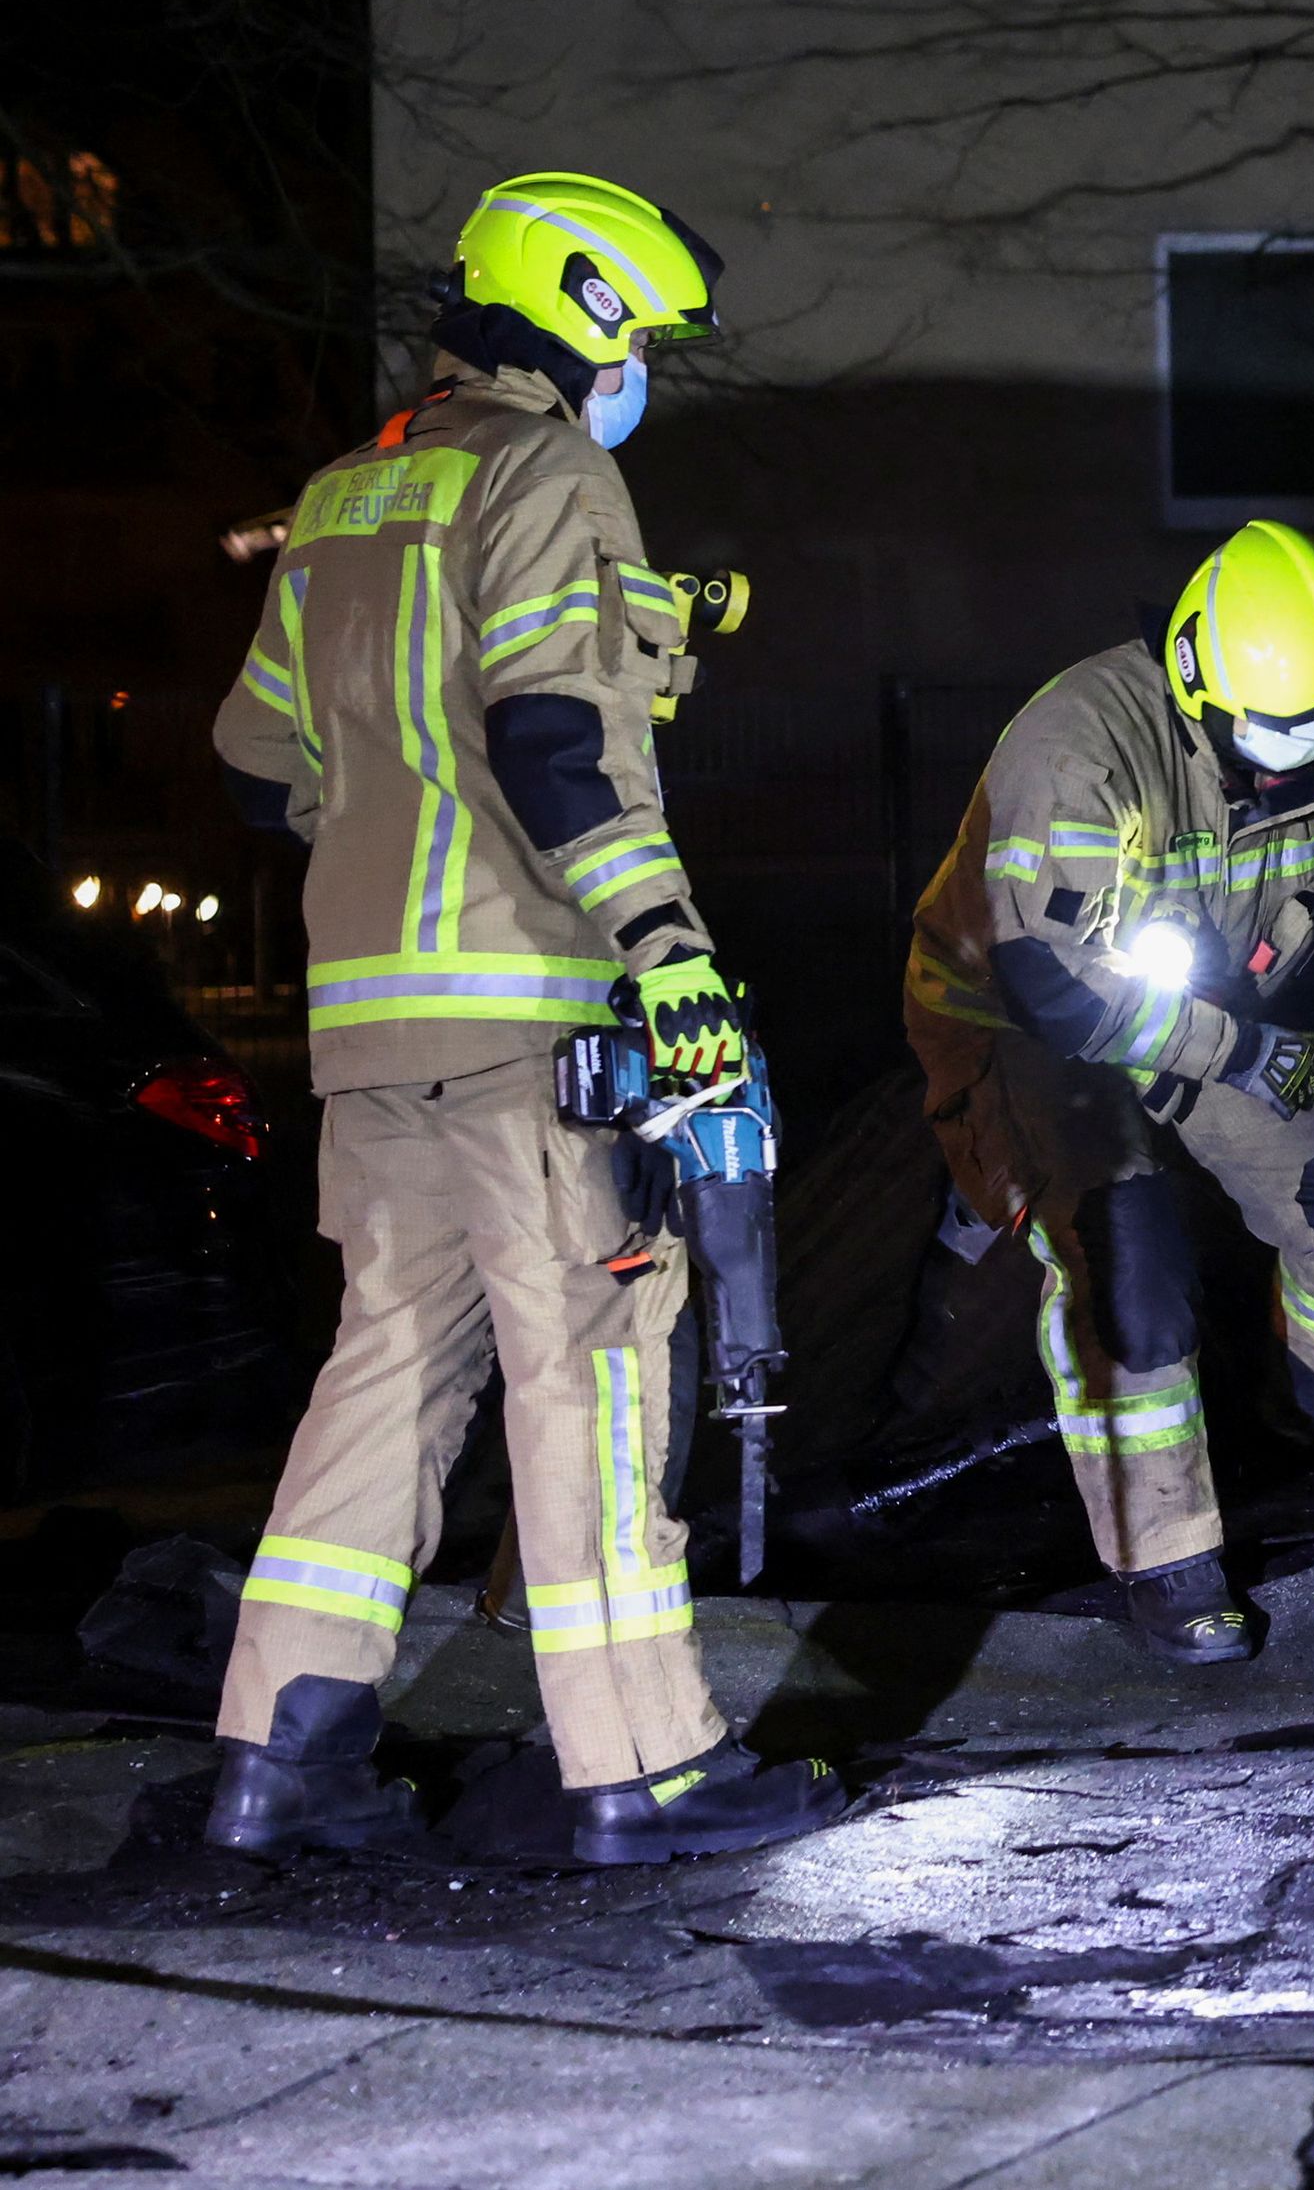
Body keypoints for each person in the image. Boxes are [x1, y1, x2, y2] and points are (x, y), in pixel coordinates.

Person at [203, 170, 842, 1864]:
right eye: (638, 335)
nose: (643, 375)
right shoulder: (550, 469)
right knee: (598, 1370)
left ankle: (280, 1764)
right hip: (536, 1026)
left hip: (369, 1037)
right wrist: (669, 946)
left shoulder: (345, 494)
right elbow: (561, 742)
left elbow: (263, 755)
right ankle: (644, 1770)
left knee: (384, 1376)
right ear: (583, 312)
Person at [904, 521, 1314, 1664]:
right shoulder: (1080, 747)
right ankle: (1165, 1556)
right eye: (1275, 742)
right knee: (1131, 1260)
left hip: (1208, 1022)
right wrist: (1243, 1053)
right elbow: (1054, 985)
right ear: (1200, 675)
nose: (1295, 769)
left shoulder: (1300, 722)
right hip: (1031, 1031)